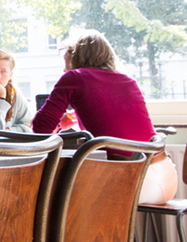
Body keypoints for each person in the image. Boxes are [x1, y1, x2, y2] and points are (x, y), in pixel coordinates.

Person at [32, 30, 177, 205]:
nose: (65, 69)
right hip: (165, 176)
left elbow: (40, 128)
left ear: (76, 58)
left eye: (66, 64)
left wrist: (55, 123)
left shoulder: (74, 76)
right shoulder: (128, 81)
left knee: (56, 196)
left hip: (134, 183)